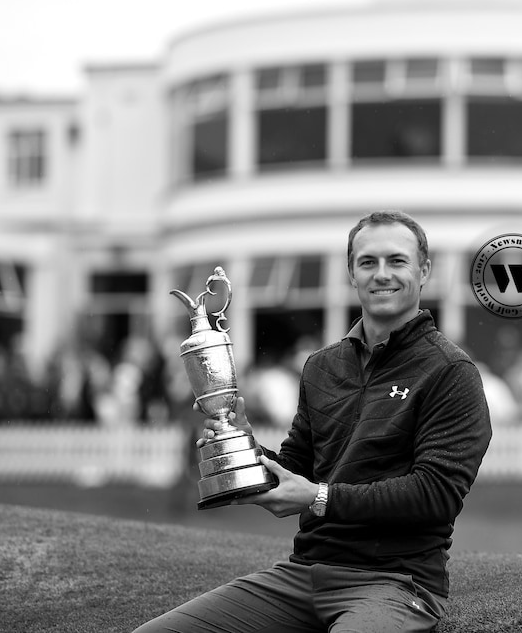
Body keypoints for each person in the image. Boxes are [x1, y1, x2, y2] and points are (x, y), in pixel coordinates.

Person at [133, 210, 492, 633]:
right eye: (367, 262)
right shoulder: (322, 366)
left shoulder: (450, 371)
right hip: (302, 573)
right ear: (350, 273)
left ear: (424, 270)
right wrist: (242, 444)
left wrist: (319, 498)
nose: (382, 274)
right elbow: (298, 469)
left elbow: (435, 495)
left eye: (397, 261)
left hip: (398, 584)